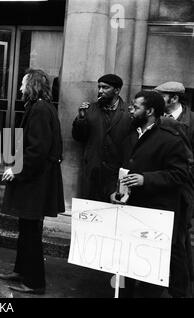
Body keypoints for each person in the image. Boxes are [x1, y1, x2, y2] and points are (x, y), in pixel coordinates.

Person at [111, 91, 191, 298]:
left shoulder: (170, 138)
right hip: (131, 209)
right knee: (126, 264)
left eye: (136, 107)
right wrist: (117, 192)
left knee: (150, 271)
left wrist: (146, 179)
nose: (131, 109)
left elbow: (180, 174)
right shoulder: (130, 133)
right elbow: (123, 167)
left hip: (156, 213)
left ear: (150, 111)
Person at [0, 69, 65, 295]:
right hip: (37, 181)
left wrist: (16, 171)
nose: (19, 89)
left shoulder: (39, 109)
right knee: (26, 229)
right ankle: (21, 271)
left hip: (36, 183)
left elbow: (36, 151)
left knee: (31, 232)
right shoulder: (40, 107)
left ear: (32, 85)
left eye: (23, 84)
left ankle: (35, 282)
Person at [154, 81, 194, 293]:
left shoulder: (191, 121)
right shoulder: (158, 119)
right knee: (173, 236)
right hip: (162, 184)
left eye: (161, 95)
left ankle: (180, 288)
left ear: (174, 98)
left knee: (178, 238)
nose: (157, 99)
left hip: (183, 187)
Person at [72, 74, 132, 202]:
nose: (100, 91)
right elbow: (78, 137)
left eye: (105, 88)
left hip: (116, 173)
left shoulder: (128, 112)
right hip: (93, 170)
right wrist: (81, 118)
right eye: (99, 87)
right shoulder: (90, 109)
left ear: (117, 90)